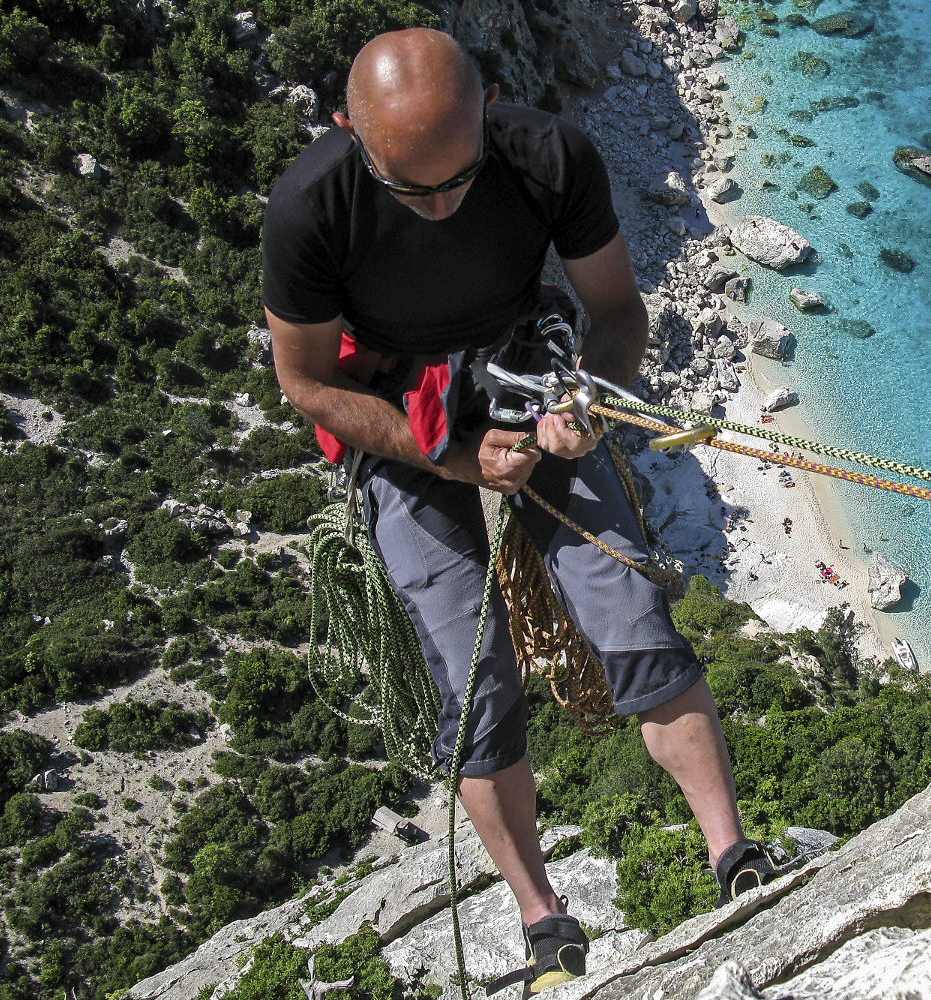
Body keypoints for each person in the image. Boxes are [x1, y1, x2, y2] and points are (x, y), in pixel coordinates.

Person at [260, 28, 780, 995]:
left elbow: (618, 314)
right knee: (474, 688)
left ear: (492, 107)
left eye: (461, 176)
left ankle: (733, 856)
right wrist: (453, 459)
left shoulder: (547, 155)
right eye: (414, 191)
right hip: (404, 420)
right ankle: (545, 920)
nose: (445, 205)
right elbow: (304, 382)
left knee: (632, 617)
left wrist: (582, 406)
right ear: (347, 131)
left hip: (530, 385)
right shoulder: (310, 208)